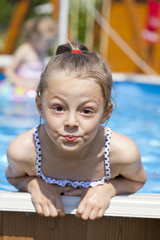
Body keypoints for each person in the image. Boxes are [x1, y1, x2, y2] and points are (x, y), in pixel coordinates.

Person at [6, 42, 147, 220]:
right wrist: (34, 185)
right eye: (58, 108)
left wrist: (108, 189)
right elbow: (12, 177)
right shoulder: (25, 151)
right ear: (40, 107)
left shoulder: (121, 153)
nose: (71, 122)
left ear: (105, 113)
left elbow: (138, 181)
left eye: (86, 111)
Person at [4, 16, 56, 91]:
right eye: (46, 41)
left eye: (51, 42)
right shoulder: (25, 49)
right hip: (21, 90)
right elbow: (8, 71)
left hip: (33, 90)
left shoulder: (42, 51)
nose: (48, 46)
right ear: (34, 36)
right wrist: (22, 84)